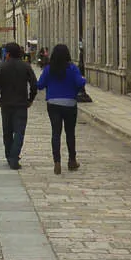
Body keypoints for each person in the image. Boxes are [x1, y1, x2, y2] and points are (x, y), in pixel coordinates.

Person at [0, 42, 37, 169]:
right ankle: (14, 156)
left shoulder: (1, 67)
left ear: (7, 54)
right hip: (21, 104)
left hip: (6, 105)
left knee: (7, 132)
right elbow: (34, 84)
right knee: (19, 132)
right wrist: (30, 99)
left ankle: (10, 156)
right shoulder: (25, 66)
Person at [36, 43, 85, 175]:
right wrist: (82, 80)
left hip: (53, 104)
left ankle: (57, 162)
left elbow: (40, 85)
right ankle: (72, 160)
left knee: (55, 133)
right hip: (70, 104)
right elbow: (80, 84)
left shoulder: (49, 69)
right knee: (70, 133)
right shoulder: (72, 68)